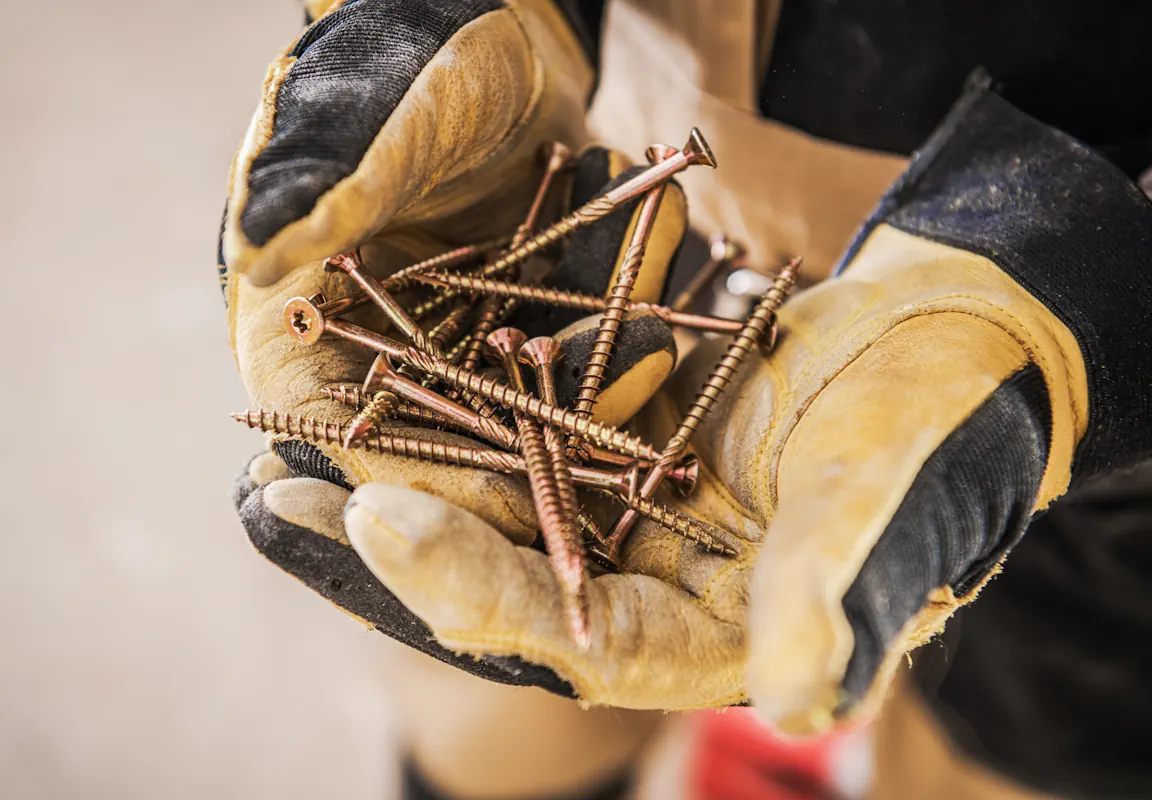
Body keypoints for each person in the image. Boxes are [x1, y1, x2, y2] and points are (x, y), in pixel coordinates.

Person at [220, 2, 1152, 798]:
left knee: (1032, 740)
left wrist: (1090, 282)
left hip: (1091, 368)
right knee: (503, 625)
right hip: (601, 220)